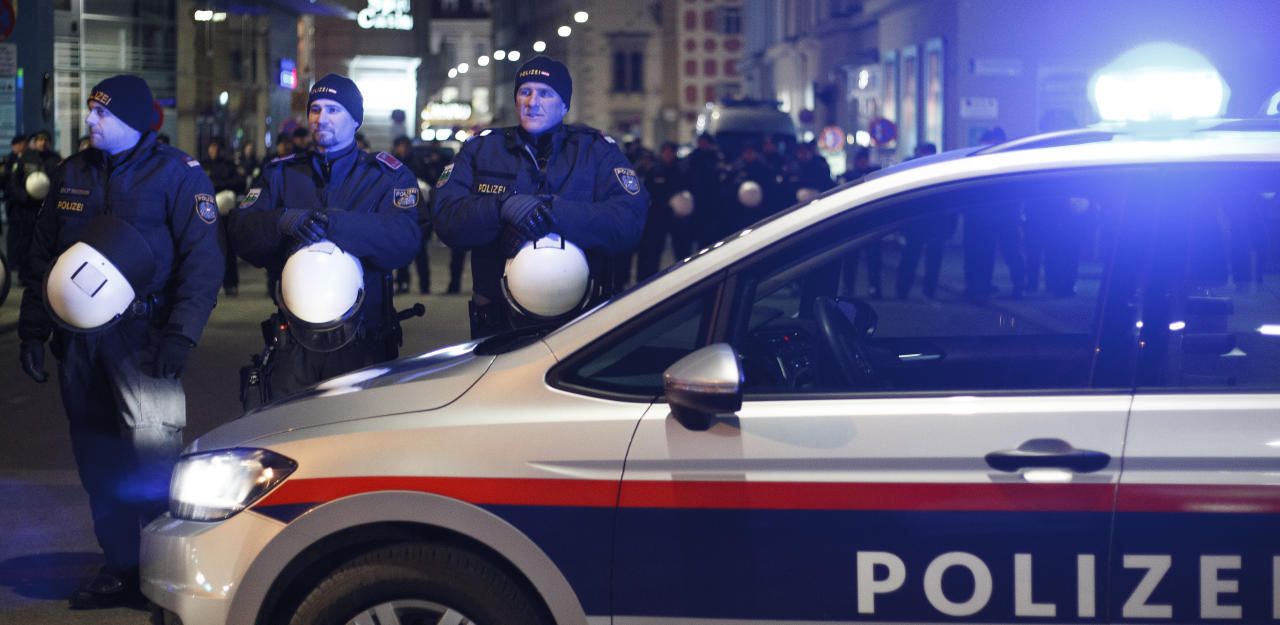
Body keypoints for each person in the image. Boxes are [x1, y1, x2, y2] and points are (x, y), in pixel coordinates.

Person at [17, 74, 223, 609]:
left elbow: (203, 263)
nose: (90, 121)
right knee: (98, 458)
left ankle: (163, 574)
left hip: (145, 339)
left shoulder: (178, 175)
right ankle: (121, 566)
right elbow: (43, 256)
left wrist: (182, 333)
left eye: (101, 114)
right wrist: (33, 328)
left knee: (155, 463)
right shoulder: (72, 173)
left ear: (131, 121)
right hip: (80, 342)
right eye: (90, 110)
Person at [228, 74, 423, 403]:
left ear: (355, 119)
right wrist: (281, 222)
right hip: (294, 341)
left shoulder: (386, 175)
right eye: (315, 109)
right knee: (290, 434)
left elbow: (405, 240)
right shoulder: (281, 174)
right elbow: (238, 231)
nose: (321, 118)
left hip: (364, 340)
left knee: (358, 437)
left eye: (334, 110)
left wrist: (335, 225)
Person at [433, 55, 647, 338]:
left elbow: (628, 221)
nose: (532, 102)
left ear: (565, 104)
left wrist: (548, 213)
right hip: (499, 323)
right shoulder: (482, 149)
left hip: (582, 321)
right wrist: (502, 210)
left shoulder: (596, 151)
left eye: (545, 93)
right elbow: (446, 217)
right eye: (525, 92)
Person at [10, 130, 62, 282]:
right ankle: (24, 274)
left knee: (45, 242)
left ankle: (42, 275)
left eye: (45, 139)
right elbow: (14, 182)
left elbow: (60, 182)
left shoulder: (54, 159)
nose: (42, 142)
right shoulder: (25, 157)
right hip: (26, 209)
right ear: (35, 141)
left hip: (46, 208)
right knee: (25, 242)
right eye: (39, 139)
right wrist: (23, 197)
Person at [635, 142, 692, 281]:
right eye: (665, 152)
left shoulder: (681, 170)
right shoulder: (654, 170)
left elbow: (687, 188)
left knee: (681, 248)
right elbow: (648, 193)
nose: (668, 155)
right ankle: (649, 279)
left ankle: (686, 276)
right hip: (658, 216)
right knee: (654, 249)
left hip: (677, 215)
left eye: (670, 152)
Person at [201, 137, 244, 296]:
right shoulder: (204, 165)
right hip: (206, 212)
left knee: (227, 248)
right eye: (210, 147)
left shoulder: (229, 166)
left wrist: (218, 186)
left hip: (225, 213)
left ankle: (230, 283)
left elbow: (239, 183)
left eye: (215, 147)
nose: (212, 151)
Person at [391, 136, 432, 294]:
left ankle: (424, 285)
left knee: (420, 253)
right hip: (400, 212)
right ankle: (402, 282)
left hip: (417, 210)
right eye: (400, 146)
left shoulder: (417, 162)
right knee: (402, 252)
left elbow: (428, 183)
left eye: (405, 146)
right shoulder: (392, 163)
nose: (402, 149)